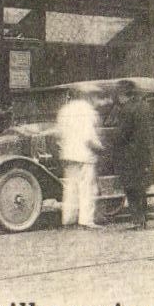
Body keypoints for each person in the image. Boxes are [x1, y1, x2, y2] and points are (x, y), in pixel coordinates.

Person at [55, 88, 103, 229]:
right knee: (86, 188)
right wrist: (100, 148)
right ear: (86, 96)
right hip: (84, 155)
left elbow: (59, 134)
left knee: (70, 189)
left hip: (68, 154)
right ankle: (86, 221)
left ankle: (68, 219)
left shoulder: (64, 110)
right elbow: (89, 136)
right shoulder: (87, 110)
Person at [114, 80, 154, 229]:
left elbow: (122, 134)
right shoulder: (145, 107)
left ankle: (137, 220)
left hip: (130, 155)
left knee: (131, 188)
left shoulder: (126, 109)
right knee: (141, 188)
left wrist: (114, 142)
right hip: (144, 153)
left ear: (123, 95)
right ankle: (143, 219)